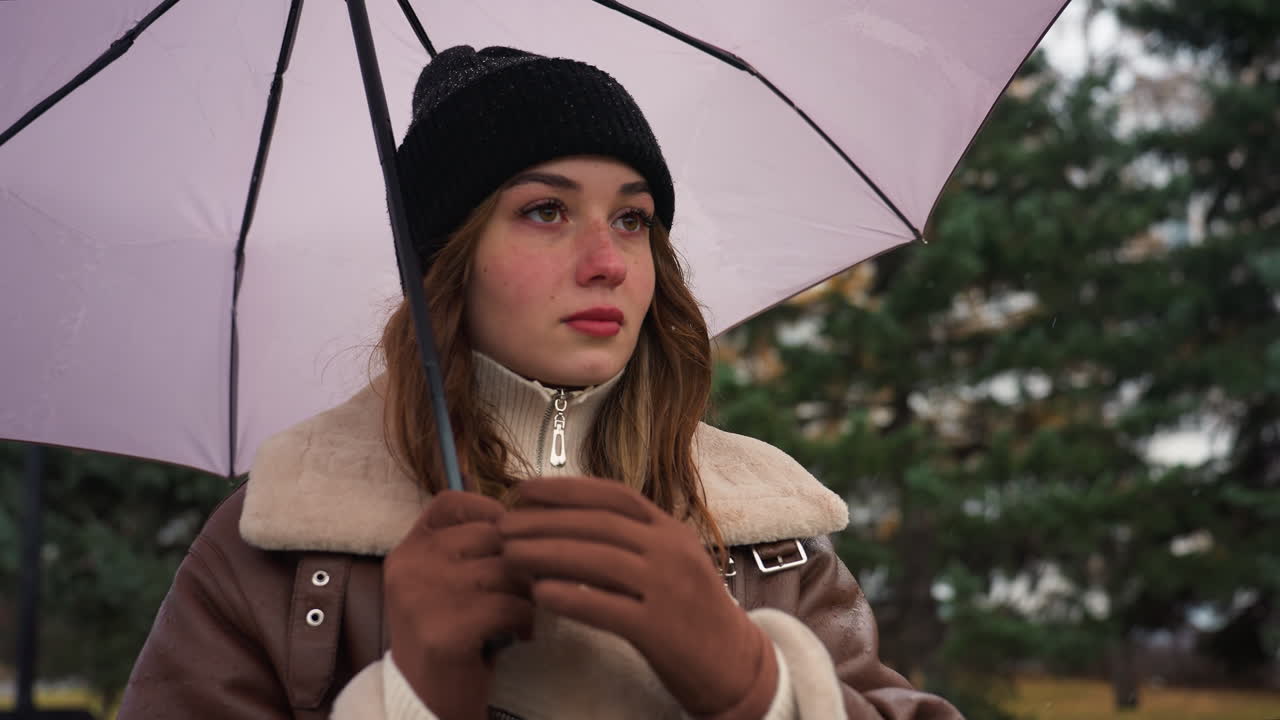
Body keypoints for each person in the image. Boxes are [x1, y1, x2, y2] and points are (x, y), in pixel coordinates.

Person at [119, 46, 963, 720]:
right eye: (546, 211)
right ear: (447, 264)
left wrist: (759, 687)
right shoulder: (280, 541)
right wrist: (411, 698)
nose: (607, 263)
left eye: (632, 219)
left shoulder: (771, 531)